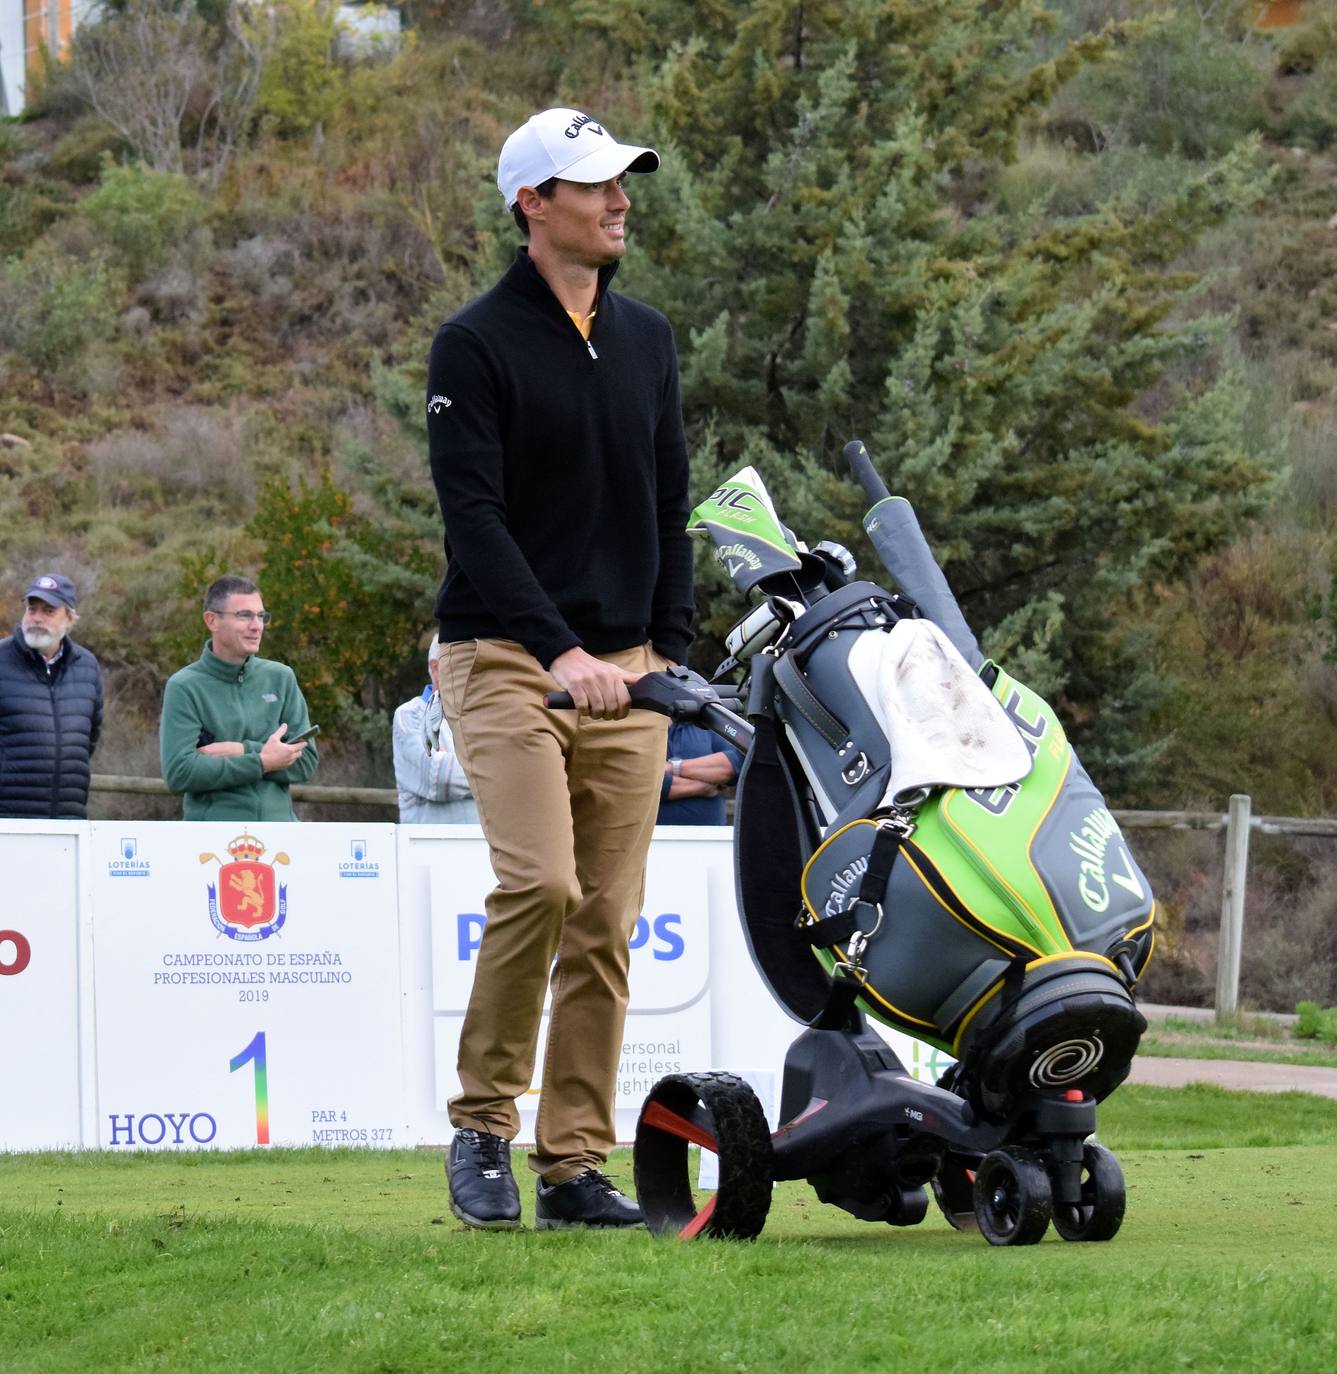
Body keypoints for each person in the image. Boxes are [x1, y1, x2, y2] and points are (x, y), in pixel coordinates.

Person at [427, 107, 693, 1231]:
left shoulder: (647, 339)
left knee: (606, 921)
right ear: (531, 205)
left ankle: (573, 1166)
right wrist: (562, 650)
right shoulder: (474, 343)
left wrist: (667, 649)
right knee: (541, 883)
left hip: (628, 673)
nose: (618, 199)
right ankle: (483, 1124)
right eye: (592, 185)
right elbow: (473, 518)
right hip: (500, 656)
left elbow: (669, 500)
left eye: (622, 181)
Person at [159, 574, 318, 821]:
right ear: (212, 620)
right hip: (211, 846)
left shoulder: (281, 678)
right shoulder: (184, 686)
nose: (257, 626)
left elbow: (306, 761)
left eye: (261, 616)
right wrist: (263, 762)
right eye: (244, 616)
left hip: (279, 842)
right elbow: (180, 772)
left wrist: (242, 750)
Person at [0, 573, 103, 818]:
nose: (36, 618)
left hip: (67, 821)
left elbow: (88, 739)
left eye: (48, 611)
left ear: (69, 618)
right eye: (32, 609)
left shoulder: (87, 666)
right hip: (7, 823)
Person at [392, 637, 477, 823]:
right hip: (424, 848)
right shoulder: (409, 716)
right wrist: (492, 767)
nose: (471, 672)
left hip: (481, 848)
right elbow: (440, 777)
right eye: (462, 664)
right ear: (436, 667)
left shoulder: (483, 717)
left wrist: (454, 762)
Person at [657, 722, 742, 826]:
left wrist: (672, 767)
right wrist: (705, 786)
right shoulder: (639, 724)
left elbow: (736, 763)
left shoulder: (706, 720)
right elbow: (644, 781)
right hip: (652, 836)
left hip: (712, 837)